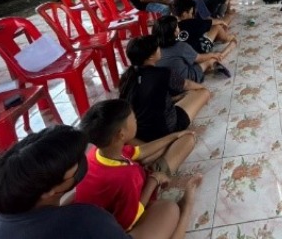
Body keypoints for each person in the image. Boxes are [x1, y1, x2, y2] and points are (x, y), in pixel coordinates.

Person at [0, 125, 132, 239]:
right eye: (75, 162)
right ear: (48, 191)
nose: (82, 160)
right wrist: (149, 184)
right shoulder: (85, 220)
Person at [76, 99, 201, 237]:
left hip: (107, 213)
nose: (136, 120)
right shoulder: (126, 177)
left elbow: (140, 151)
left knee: (184, 140)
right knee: (170, 209)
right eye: (134, 118)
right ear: (121, 134)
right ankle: (185, 208)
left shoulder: (98, 152)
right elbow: (130, 221)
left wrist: (174, 136)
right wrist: (153, 181)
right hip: (120, 228)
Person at [119, 35, 211, 142]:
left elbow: (144, 101)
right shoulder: (163, 73)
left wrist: (176, 98)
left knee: (180, 97)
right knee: (203, 93)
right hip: (166, 129)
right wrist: (202, 87)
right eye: (157, 48)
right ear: (151, 57)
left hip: (141, 133)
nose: (160, 49)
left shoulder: (127, 77)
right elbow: (187, 85)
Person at [153, 15, 230, 83]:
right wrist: (213, 54)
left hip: (169, 82)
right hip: (185, 80)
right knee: (209, 60)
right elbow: (199, 58)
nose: (179, 28)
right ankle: (211, 66)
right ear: (175, 32)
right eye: (177, 27)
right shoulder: (181, 46)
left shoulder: (155, 49)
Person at [172, 0, 237, 58]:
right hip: (200, 52)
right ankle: (226, 38)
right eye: (191, 13)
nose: (192, 15)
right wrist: (222, 22)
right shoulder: (193, 22)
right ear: (184, 14)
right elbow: (211, 22)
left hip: (183, 54)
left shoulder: (171, 24)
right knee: (217, 27)